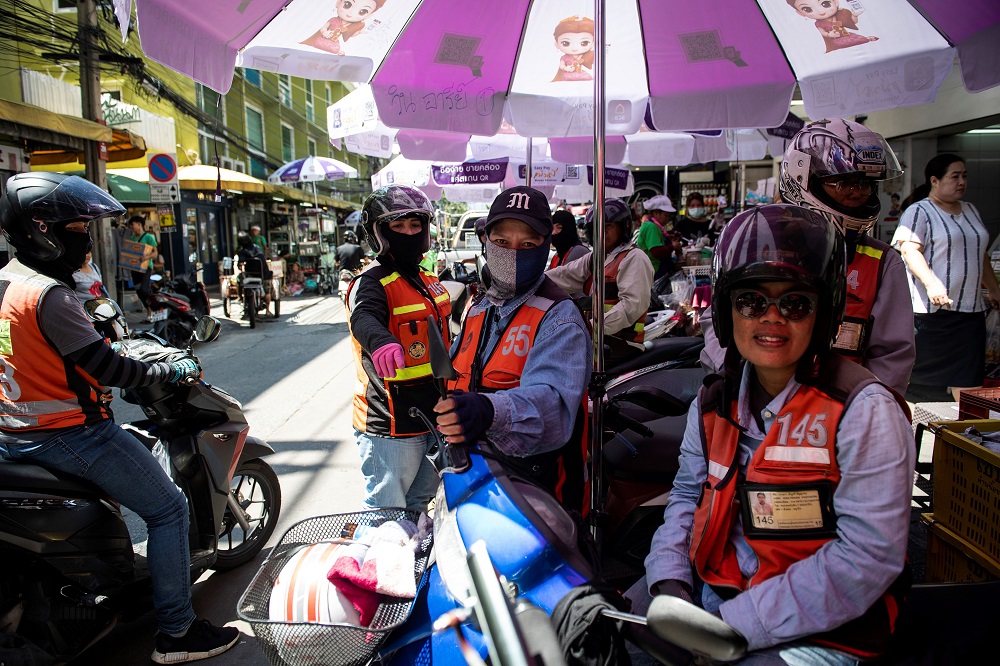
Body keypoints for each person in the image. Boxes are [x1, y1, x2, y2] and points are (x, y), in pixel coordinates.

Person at [631, 204, 914, 665]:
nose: (772, 318)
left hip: (825, 628)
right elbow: (685, 498)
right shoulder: (712, 404)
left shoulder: (864, 411)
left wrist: (732, 626)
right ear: (728, 312)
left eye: (796, 303)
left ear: (823, 314)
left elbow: (867, 557)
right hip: (715, 590)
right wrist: (671, 584)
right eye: (751, 302)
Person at [0, 173, 238, 664]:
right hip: (70, 433)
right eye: (75, 229)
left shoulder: (9, 281)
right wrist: (166, 367)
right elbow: (110, 369)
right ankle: (177, 631)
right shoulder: (51, 297)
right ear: (41, 230)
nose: (85, 238)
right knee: (169, 507)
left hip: (15, 433)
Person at [703, 119, 915, 397]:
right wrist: (739, 383)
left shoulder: (883, 262)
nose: (857, 192)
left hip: (841, 411)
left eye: (865, 183)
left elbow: (892, 359)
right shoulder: (758, 242)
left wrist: (870, 410)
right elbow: (716, 323)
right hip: (756, 402)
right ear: (804, 178)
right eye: (843, 183)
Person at [433, 186, 592, 512]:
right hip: (476, 479)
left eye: (528, 244)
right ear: (487, 242)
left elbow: (553, 404)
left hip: (537, 496)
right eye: (502, 242)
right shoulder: (479, 306)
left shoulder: (560, 318)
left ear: (546, 247)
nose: (513, 253)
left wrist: (489, 411)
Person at [347, 185, 452, 511]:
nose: (408, 232)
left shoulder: (425, 277)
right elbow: (363, 316)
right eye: (398, 226)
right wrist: (380, 340)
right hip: (390, 423)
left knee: (420, 504)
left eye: (414, 225)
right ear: (380, 232)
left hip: (433, 415)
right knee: (385, 512)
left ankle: (411, 562)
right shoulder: (373, 281)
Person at [892, 154, 1000, 402]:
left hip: (970, 313)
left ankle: (964, 434)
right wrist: (931, 283)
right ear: (935, 180)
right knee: (920, 383)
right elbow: (909, 250)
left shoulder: (971, 210)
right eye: (955, 176)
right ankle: (912, 428)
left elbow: (979, 254)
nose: (962, 181)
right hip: (931, 315)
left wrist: (994, 289)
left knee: (969, 378)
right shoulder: (919, 211)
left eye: (964, 175)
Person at [547, 198, 654, 366]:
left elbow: (630, 308)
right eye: (596, 228)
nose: (602, 233)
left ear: (623, 227)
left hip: (621, 343)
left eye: (608, 227)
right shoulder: (597, 258)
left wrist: (590, 328)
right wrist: (532, 282)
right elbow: (565, 274)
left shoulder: (634, 257)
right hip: (598, 337)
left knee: (561, 362)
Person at [636, 194, 682, 279]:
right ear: (656, 213)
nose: (667, 219)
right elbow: (656, 251)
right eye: (666, 215)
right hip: (654, 272)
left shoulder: (656, 227)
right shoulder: (651, 227)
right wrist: (673, 246)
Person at [236, 231, 275, 317]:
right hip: (264, 273)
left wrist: (239, 265)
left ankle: (241, 298)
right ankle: (268, 310)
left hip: (250, 275)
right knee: (267, 291)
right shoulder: (257, 248)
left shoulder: (242, 252)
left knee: (239, 280)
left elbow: (240, 264)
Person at [127, 215, 157, 319]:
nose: (131, 227)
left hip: (146, 267)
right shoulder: (132, 238)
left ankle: (153, 306)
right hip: (135, 268)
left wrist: (147, 257)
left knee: (144, 289)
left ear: (139, 224)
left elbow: (155, 253)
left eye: (132, 225)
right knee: (139, 291)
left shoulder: (149, 237)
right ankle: (149, 311)